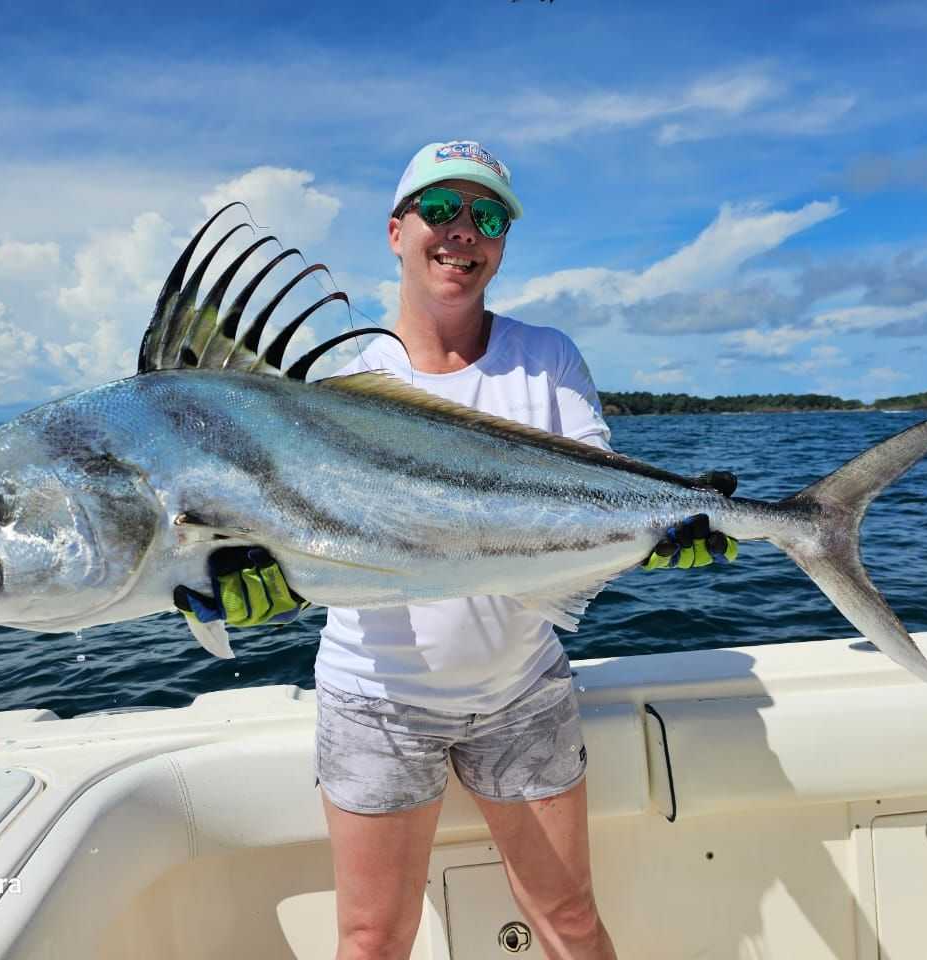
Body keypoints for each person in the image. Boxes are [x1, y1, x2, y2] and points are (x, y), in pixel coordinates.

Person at [180, 140, 737, 960]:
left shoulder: (545, 358)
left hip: (522, 690)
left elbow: (598, 484)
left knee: (571, 920)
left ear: (504, 240)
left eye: (488, 215)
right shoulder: (340, 377)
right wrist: (259, 580)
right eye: (440, 210)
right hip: (377, 703)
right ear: (397, 230)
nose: (462, 232)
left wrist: (658, 527)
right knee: (371, 940)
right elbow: (299, 526)